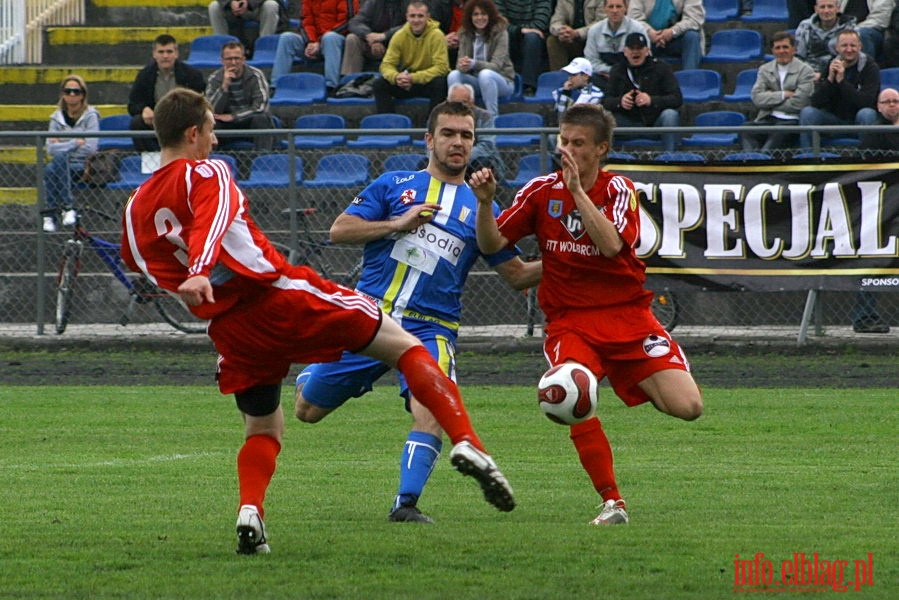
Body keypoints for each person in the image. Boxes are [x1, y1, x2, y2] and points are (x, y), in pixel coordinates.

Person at [120, 88, 517, 554]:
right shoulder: (209, 171)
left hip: (229, 327)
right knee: (401, 345)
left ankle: (251, 512)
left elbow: (141, 262)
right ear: (193, 132)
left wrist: (195, 287)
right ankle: (468, 442)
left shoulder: (134, 207)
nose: (216, 141)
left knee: (265, 427)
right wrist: (201, 270)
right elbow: (214, 214)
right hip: (278, 295)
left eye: (465, 134)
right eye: (211, 130)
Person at [294, 101, 541, 524]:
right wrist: (396, 224)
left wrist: (576, 260)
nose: (457, 142)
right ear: (430, 140)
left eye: (465, 134)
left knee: (431, 408)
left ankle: (405, 504)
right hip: (370, 318)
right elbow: (340, 230)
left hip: (432, 329)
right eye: (448, 133)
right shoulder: (395, 184)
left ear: (474, 142)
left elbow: (517, 275)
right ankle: (317, 372)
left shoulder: (484, 209)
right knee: (306, 411)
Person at [470, 102, 703, 526]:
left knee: (688, 407)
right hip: (571, 322)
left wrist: (578, 192)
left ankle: (622, 376)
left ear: (601, 149)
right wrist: (485, 204)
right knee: (571, 396)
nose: (568, 151)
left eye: (579, 143)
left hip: (629, 318)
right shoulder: (541, 191)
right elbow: (492, 243)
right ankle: (613, 502)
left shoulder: (618, 191)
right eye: (564, 141)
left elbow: (611, 245)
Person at [798, 29, 880, 149]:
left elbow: (866, 102)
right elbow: (816, 101)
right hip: (833, 121)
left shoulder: (870, 67)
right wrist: (830, 79)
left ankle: (867, 157)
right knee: (808, 112)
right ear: (837, 47)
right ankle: (808, 158)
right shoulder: (831, 65)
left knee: (867, 113)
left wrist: (842, 81)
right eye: (844, 45)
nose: (849, 49)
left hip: (859, 121)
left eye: (853, 45)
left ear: (860, 46)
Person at [601, 32, 682, 151]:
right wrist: (620, 102)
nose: (635, 52)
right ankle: (608, 159)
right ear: (625, 51)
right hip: (627, 124)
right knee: (605, 118)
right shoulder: (617, 70)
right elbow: (606, 101)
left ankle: (670, 157)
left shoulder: (661, 67)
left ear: (647, 50)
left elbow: (676, 98)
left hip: (655, 123)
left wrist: (651, 100)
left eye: (639, 48)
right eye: (631, 48)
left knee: (670, 115)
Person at [128, 34, 206, 152]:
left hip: (183, 122)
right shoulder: (144, 75)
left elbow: (201, 103)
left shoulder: (192, 75)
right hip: (155, 122)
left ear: (176, 53)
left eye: (169, 52)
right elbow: (133, 104)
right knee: (137, 123)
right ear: (154, 54)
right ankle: (153, 158)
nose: (165, 56)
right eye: (161, 52)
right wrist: (143, 109)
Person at [42, 75, 99, 233]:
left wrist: (62, 142)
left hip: (81, 164)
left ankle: (51, 214)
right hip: (63, 164)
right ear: (62, 94)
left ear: (83, 94)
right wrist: (74, 143)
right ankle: (68, 208)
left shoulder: (91, 116)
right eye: (68, 91)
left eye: (76, 91)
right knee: (55, 163)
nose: (72, 95)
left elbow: (90, 147)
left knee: (52, 167)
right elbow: (50, 148)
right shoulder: (56, 117)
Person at [742, 32, 816, 152]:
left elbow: (800, 103)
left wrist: (770, 99)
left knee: (776, 136)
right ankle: (749, 159)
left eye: (785, 47)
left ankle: (762, 160)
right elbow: (756, 98)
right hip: (767, 118)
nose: (782, 51)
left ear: (794, 49)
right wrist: (784, 94)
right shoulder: (765, 69)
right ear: (772, 51)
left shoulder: (806, 71)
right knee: (745, 128)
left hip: (791, 121)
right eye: (778, 48)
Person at [372, 1, 450, 115]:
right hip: (405, 82)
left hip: (426, 82)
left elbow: (442, 68)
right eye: (412, 16)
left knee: (441, 83)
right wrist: (396, 77)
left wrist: (414, 78)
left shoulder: (437, 35)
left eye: (420, 16)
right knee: (379, 84)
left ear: (428, 17)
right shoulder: (399, 36)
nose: (416, 20)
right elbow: (386, 65)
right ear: (407, 17)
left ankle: (432, 124)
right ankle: (389, 125)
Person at [269, 0, 359, 94]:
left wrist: (319, 41)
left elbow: (349, 22)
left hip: (338, 41)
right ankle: (276, 85)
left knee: (330, 38)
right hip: (316, 41)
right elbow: (306, 22)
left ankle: (331, 86)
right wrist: (311, 41)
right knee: (286, 38)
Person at [446, 0, 515, 118]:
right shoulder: (464, 33)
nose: (480, 18)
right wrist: (463, 65)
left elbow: (496, 66)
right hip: (475, 81)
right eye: (475, 14)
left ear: (490, 15)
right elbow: (459, 63)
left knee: (486, 74)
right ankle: (457, 114)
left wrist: (473, 64)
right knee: (453, 75)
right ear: (470, 17)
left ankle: (492, 118)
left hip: (502, 81)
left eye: (483, 14)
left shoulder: (501, 32)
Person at [205, 40, 276, 150]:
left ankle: (263, 159)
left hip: (249, 121)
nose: (233, 62)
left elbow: (260, 107)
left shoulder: (255, 75)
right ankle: (213, 162)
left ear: (243, 59)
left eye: (237, 58)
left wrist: (234, 116)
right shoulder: (215, 78)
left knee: (261, 119)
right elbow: (210, 110)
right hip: (226, 125)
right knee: (210, 123)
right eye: (229, 59)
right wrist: (224, 87)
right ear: (222, 61)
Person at [494, 0, 553, 94]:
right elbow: (498, 22)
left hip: (533, 40)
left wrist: (523, 31)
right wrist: (520, 30)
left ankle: (528, 86)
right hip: (509, 36)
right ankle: (500, 81)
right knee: (500, 35)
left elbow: (540, 23)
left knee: (532, 37)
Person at [627, 0, 705, 70]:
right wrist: (649, 32)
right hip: (648, 40)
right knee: (633, 37)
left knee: (692, 36)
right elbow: (633, 18)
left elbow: (694, 18)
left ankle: (689, 81)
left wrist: (673, 31)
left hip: (677, 38)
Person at [447, 82, 504, 177]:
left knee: (484, 163)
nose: (459, 106)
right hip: (447, 161)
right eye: (455, 103)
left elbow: (487, 146)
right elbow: (432, 145)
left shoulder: (485, 116)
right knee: (425, 163)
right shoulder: (438, 117)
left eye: (464, 102)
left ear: (472, 102)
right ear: (448, 102)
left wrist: (460, 156)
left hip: (474, 160)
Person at [584, 0, 648, 84]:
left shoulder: (638, 29)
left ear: (626, 8)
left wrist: (619, 73)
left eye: (619, 6)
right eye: (611, 7)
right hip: (603, 76)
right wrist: (611, 71)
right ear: (604, 8)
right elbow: (591, 61)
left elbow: (646, 56)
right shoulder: (594, 31)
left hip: (632, 76)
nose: (614, 11)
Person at [341, 0, 409, 76]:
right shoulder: (373, 2)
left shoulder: (410, 3)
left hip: (398, 46)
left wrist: (384, 36)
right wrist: (369, 36)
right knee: (352, 38)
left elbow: (413, 24)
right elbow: (355, 22)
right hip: (373, 45)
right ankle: (349, 80)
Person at [795, 0, 857, 75]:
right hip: (808, 73)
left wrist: (823, 75)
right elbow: (799, 56)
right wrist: (808, 74)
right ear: (816, 9)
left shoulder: (850, 27)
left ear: (838, 8)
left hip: (838, 72)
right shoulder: (804, 26)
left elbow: (850, 56)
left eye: (830, 6)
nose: (826, 11)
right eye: (822, 7)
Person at [546, 0, 607, 72]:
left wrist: (577, 33)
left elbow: (602, 22)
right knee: (553, 40)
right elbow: (556, 21)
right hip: (571, 39)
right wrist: (562, 31)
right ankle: (560, 76)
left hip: (593, 38)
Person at [207, 0, 289, 54]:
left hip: (258, 8)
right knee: (214, 6)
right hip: (232, 9)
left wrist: (249, 2)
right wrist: (230, 2)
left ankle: (264, 47)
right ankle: (224, 47)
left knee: (271, 5)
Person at [552, 57, 605, 123]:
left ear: (586, 76)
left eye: (573, 75)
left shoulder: (596, 94)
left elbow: (579, 119)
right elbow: (560, 118)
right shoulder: (561, 92)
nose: (570, 78)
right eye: (569, 75)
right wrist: (565, 94)